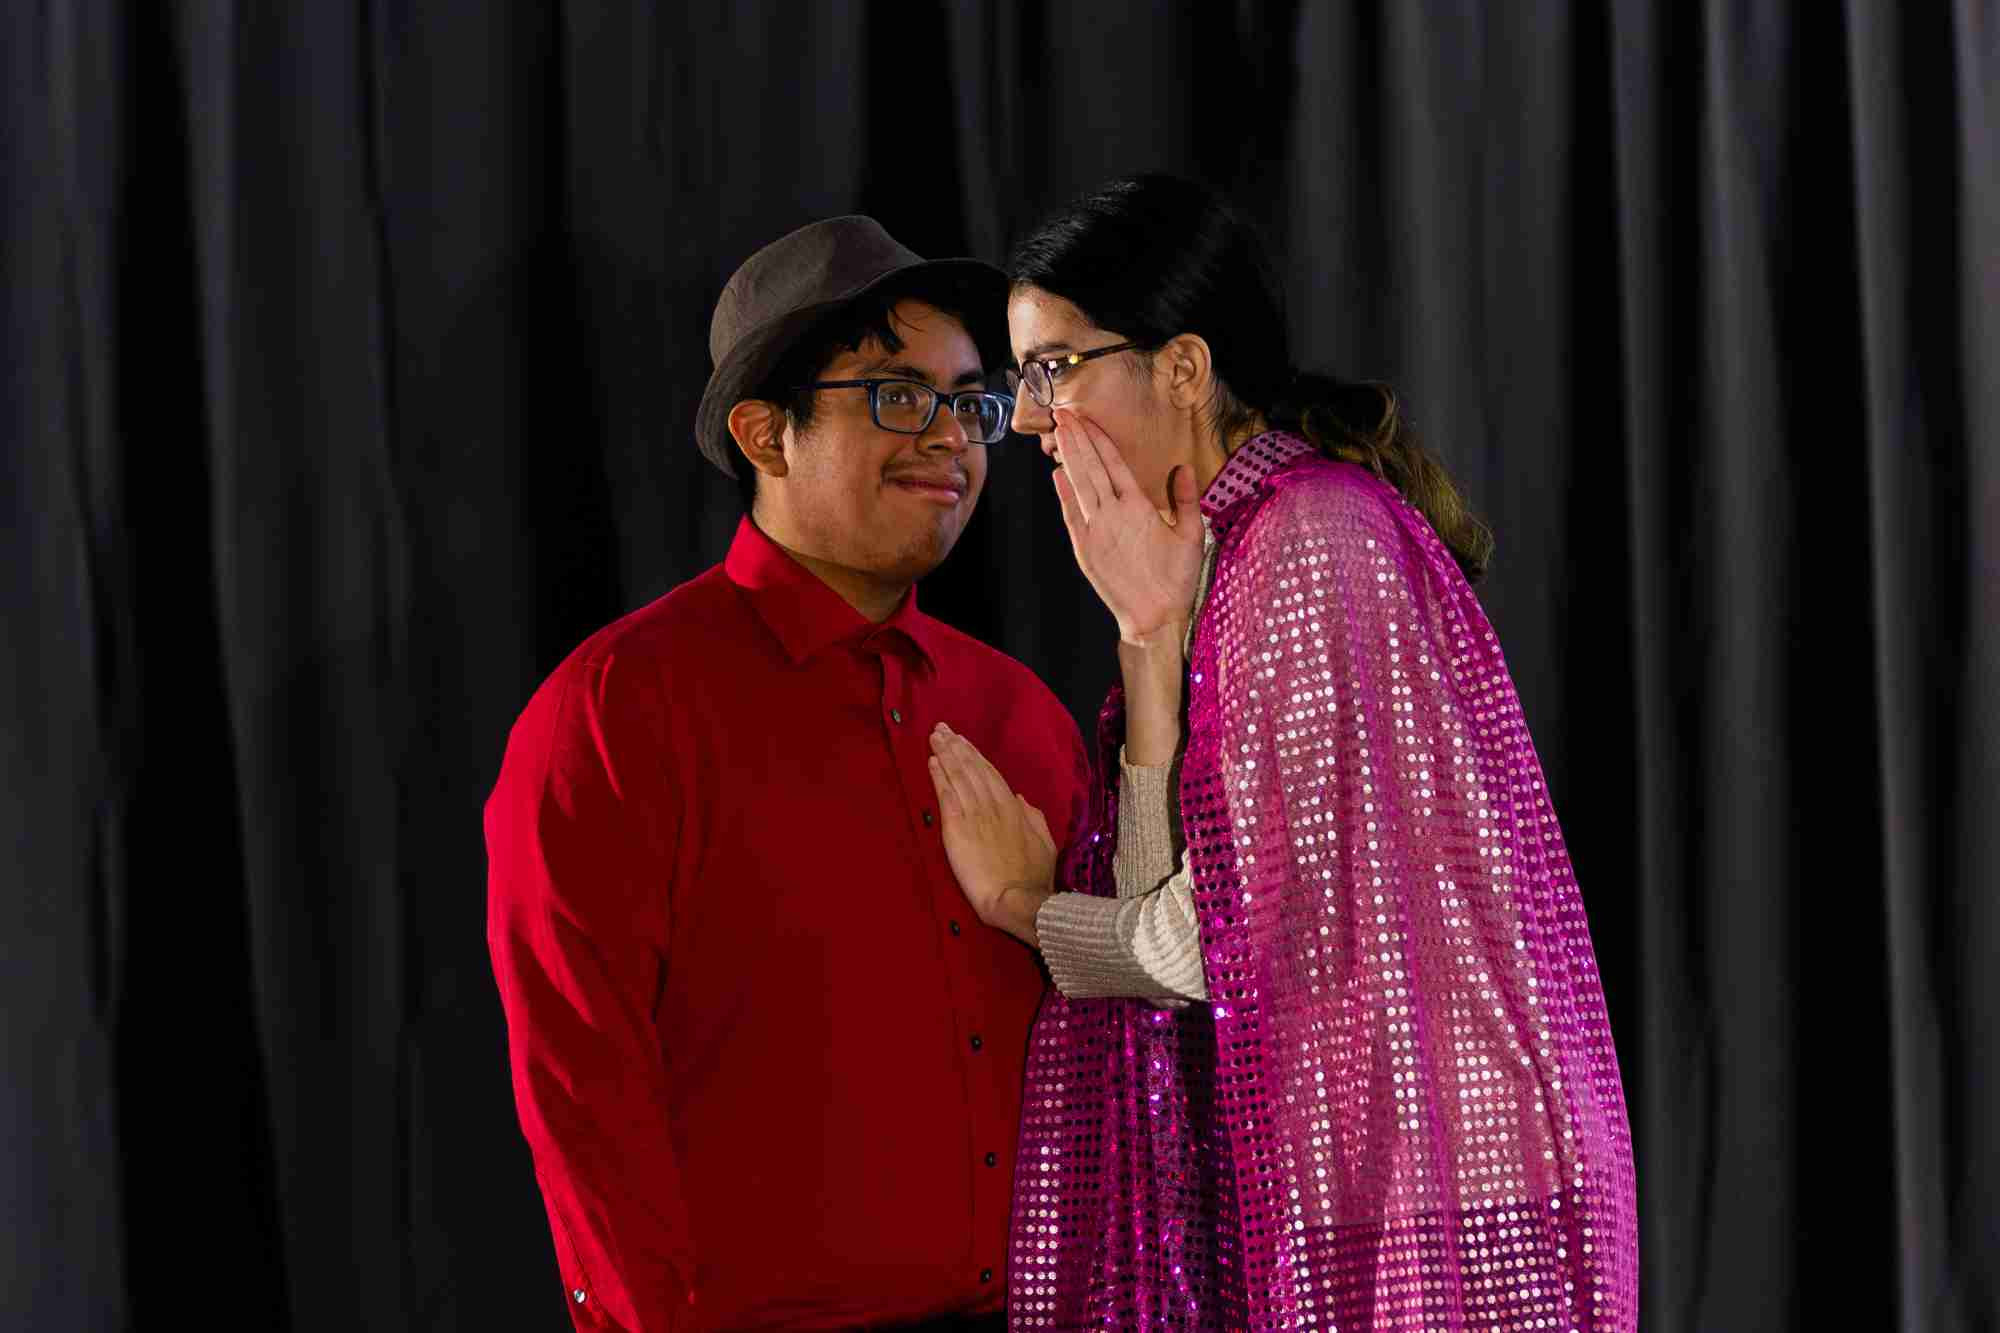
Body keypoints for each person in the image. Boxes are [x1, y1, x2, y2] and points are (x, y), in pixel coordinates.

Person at [925, 174, 1639, 1329]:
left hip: (1450, 1205)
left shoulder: (1310, 540)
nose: (1030, 420)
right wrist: (1147, 642)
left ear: (1184, 370)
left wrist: (1019, 902)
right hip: (1370, 1180)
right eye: (1022, 381)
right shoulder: (1229, 557)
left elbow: (1192, 945)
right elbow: (1175, 916)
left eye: (1053, 368)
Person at [485, 216, 1091, 1331]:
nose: (950, 440)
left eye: (969, 403)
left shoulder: (1021, 718)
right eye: (897, 395)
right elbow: (584, 1088)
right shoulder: (619, 713)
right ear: (766, 434)